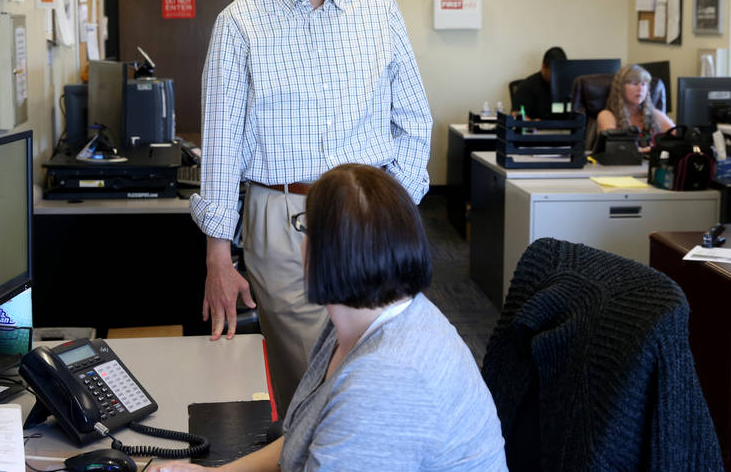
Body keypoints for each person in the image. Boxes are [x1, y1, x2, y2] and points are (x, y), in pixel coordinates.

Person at [189, 0, 432, 417]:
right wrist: (218, 257)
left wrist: (398, 207)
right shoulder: (238, 25)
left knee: (380, 368)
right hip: (283, 221)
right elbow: (223, 146)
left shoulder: (379, 10)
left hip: (371, 219)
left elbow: (414, 120)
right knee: (310, 385)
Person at [150, 165, 508, 472]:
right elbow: (305, 436)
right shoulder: (358, 320)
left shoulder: (384, 384)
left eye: (305, 227)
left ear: (328, 251)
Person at [596, 64, 674, 150]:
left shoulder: (655, 114)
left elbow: (679, 138)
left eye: (644, 84)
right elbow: (614, 148)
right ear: (620, 88)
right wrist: (649, 150)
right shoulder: (606, 116)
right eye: (634, 84)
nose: (640, 89)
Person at [511, 46, 566, 118]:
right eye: (554, 72)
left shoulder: (570, 86)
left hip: (565, 128)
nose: (558, 76)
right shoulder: (527, 87)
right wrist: (531, 124)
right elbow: (515, 116)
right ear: (543, 67)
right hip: (537, 128)